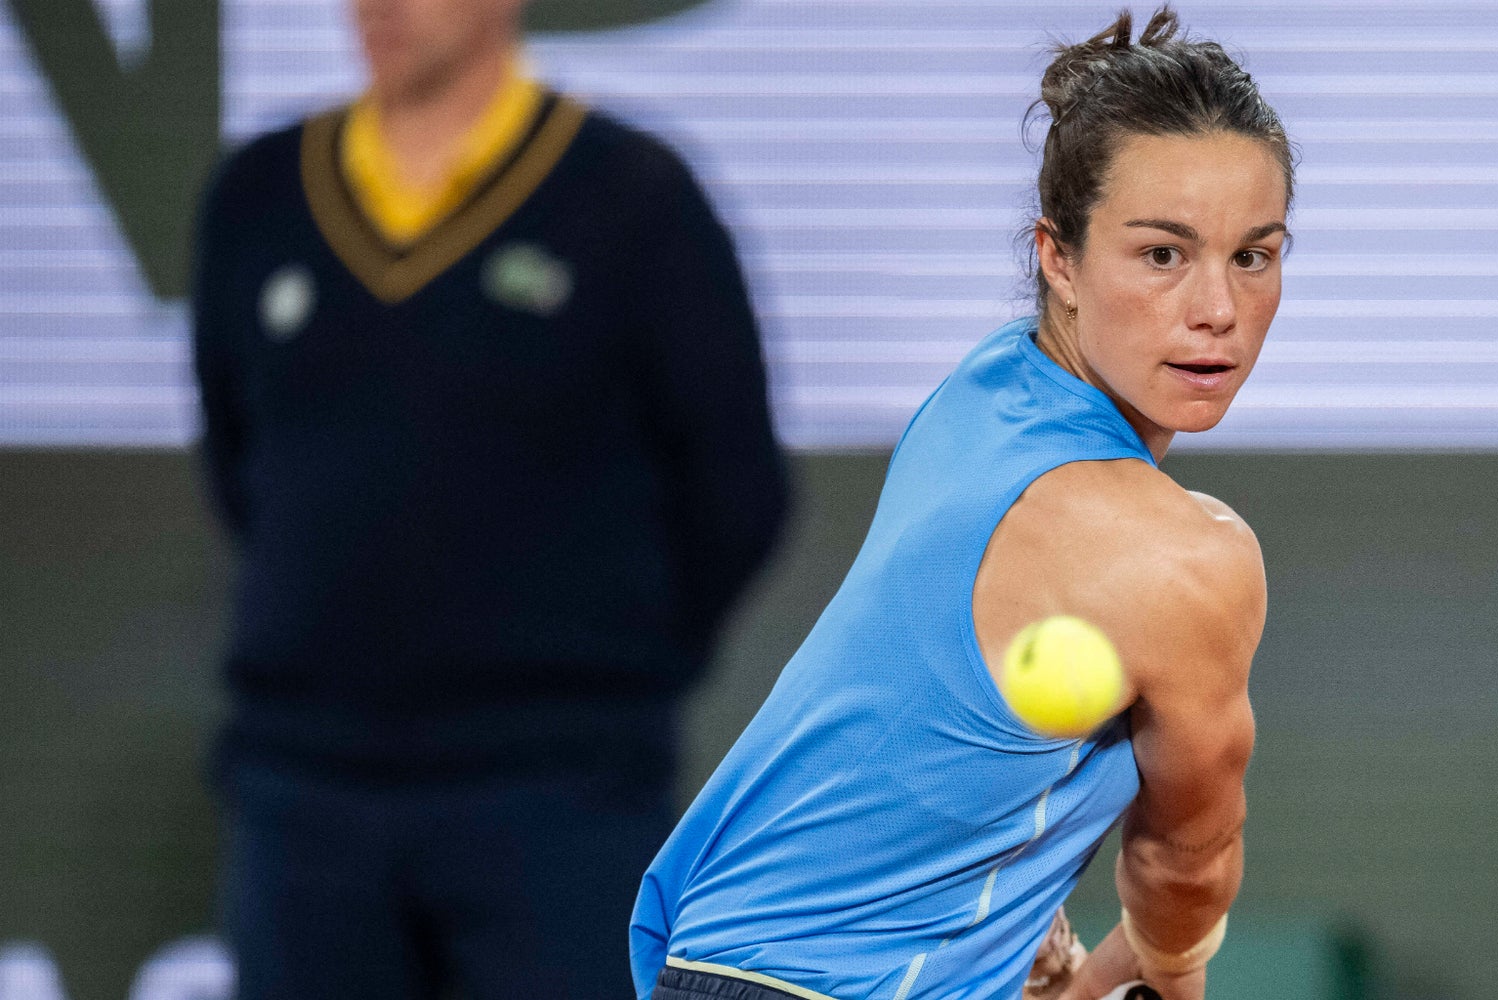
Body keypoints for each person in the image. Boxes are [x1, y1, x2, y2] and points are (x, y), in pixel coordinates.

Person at [629, 7, 1291, 999]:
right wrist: (1144, 974)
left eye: (1253, 253)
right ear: (1057, 259)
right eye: (1162, 254)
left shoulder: (980, 390)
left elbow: (930, 729)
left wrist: (1020, 924)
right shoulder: (1186, 562)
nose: (1217, 309)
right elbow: (1180, 876)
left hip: (708, 959)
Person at [189, 0, 787, 995]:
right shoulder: (256, 197)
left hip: (560, 796)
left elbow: (736, 492)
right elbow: (243, 466)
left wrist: (594, 677)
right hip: (303, 797)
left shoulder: (633, 198)